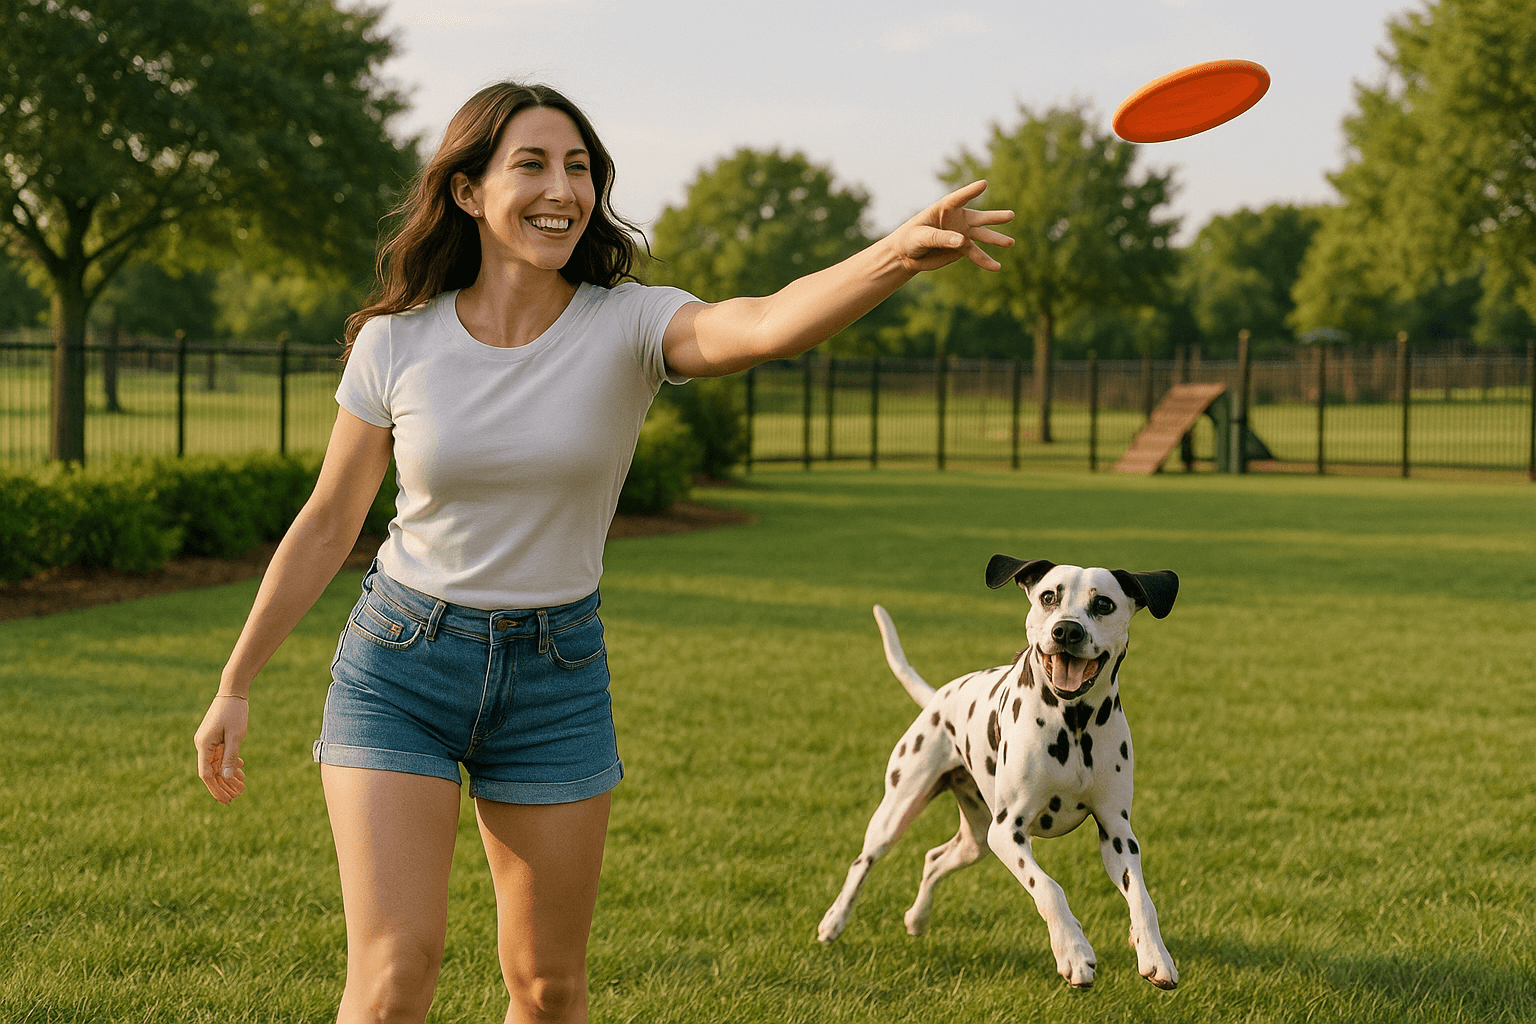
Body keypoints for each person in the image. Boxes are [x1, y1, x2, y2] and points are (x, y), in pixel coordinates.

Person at [192, 80, 1013, 1024]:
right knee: (392, 978)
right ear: (468, 192)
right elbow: (330, 521)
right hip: (400, 665)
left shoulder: (626, 325)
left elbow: (764, 324)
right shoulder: (394, 343)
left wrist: (895, 255)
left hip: (555, 675)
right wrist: (236, 682)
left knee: (548, 989)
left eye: (580, 168)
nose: (563, 189)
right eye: (533, 164)